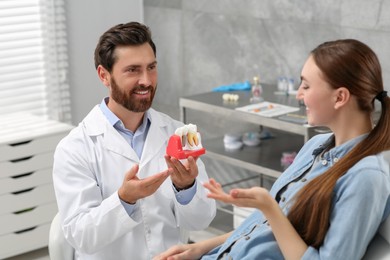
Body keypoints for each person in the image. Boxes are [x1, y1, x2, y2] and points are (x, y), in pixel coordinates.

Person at [154, 39, 390, 260]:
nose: (298, 94)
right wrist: (199, 248)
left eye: (306, 86)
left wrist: (269, 207)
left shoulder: (366, 177)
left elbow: (278, 224)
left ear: (340, 97)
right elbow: (261, 229)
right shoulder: (315, 147)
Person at [52, 21, 216, 260]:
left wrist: (186, 188)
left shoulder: (176, 132)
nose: (147, 81)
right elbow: (81, 237)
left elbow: (201, 220)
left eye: (151, 67)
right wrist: (124, 199)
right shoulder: (75, 148)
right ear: (104, 76)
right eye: (133, 70)